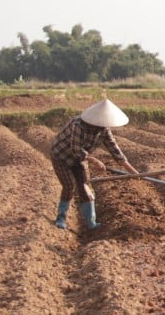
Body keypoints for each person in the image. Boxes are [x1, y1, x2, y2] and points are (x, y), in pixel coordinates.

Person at [50, 98, 137, 231]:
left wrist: (134, 172)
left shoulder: (104, 130)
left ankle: (91, 223)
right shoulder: (78, 125)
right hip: (62, 156)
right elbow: (76, 149)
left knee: (86, 187)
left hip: (79, 160)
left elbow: (115, 150)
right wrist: (94, 160)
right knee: (69, 186)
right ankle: (61, 218)